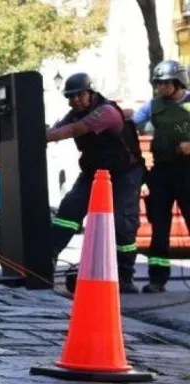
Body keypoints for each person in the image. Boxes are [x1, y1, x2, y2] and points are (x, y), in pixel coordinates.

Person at [47, 72, 145, 294]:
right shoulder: (74, 113)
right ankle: (48, 258)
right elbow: (59, 128)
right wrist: (42, 134)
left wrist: (39, 137)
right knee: (69, 210)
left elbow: (73, 130)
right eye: (70, 97)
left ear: (90, 93)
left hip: (124, 174)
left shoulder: (106, 112)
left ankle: (125, 275)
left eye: (79, 96)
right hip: (94, 173)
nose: (74, 101)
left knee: (122, 223)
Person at [127, 60, 190, 293]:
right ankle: (157, 279)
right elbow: (134, 123)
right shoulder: (153, 106)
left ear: (178, 82)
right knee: (160, 226)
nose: (160, 88)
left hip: (187, 171)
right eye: (158, 83)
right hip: (162, 172)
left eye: (165, 83)